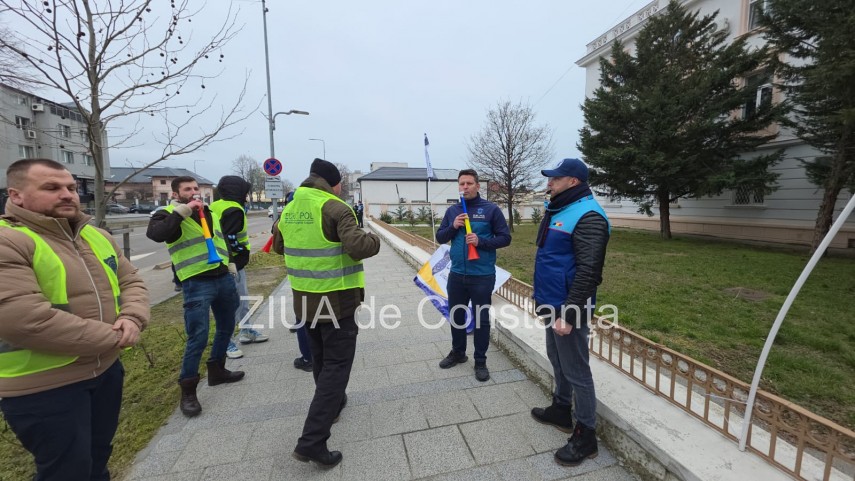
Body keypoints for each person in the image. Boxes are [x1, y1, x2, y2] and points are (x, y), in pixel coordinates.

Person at [0, 158, 150, 480]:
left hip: (105, 370)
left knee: (98, 459)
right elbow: (23, 319)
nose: (67, 194)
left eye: (71, 187)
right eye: (52, 188)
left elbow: (131, 280)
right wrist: (116, 337)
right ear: (16, 195)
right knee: (67, 471)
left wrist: (133, 318)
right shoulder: (8, 240)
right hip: (44, 386)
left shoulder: (95, 236)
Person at [274, 158, 380, 468]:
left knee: (320, 358)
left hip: (305, 300)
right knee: (337, 367)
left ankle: (333, 405)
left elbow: (278, 246)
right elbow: (359, 247)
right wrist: (374, 238)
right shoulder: (335, 207)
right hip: (336, 301)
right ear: (333, 183)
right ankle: (312, 441)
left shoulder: (289, 208)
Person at [529, 158, 610, 467]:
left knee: (577, 369)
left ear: (573, 181)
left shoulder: (589, 216)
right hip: (553, 301)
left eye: (555, 178)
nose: (549, 183)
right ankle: (562, 409)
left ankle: (586, 436)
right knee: (556, 357)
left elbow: (589, 272)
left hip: (568, 307)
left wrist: (569, 313)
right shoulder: (561, 208)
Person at [147, 176, 244, 418]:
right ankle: (188, 390)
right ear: (176, 194)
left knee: (227, 326)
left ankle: (217, 369)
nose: (193, 192)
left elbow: (221, 240)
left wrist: (230, 264)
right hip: (196, 281)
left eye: (195, 188)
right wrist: (184, 211)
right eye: (187, 189)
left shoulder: (209, 212)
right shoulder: (166, 213)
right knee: (198, 335)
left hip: (222, 276)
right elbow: (158, 234)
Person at [435, 169, 511, 382]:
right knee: (456, 316)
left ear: (478, 186)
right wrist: (453, 226)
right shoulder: (453, 210)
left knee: (481, 320)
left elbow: (505, 238)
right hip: (457, 274)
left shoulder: (491, 209)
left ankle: (480, 361)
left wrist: (481, 242)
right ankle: (458, 353)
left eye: (469, 183)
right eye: (462, 183)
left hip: (482, 275)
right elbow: (440, 237)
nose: (465, 187)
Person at [210, 176, 269, 360]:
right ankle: (226, 342)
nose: (246, 194)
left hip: (223, 262)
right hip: (231, 263)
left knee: (239, 299)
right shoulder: (234, 210)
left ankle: (246, 330)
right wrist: (241, 250)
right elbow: (230, 238)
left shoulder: (215, 205)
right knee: (231, 303)